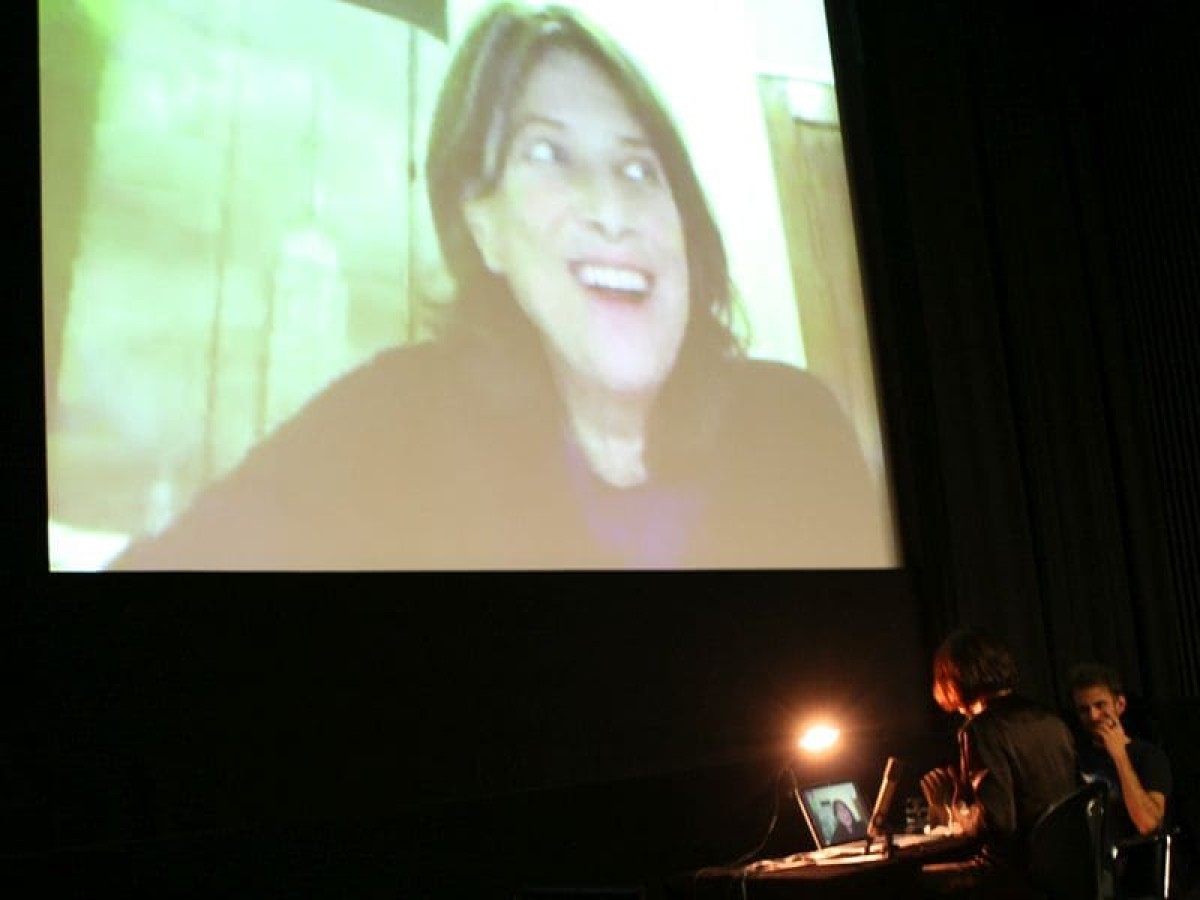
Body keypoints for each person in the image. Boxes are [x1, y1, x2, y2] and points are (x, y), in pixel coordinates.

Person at [109, 2, 890, 571]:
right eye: (548, 155)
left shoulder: (796, 425)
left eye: (637, 168)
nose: (611, 207)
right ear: (482, 227)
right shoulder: (389, 423)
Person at [917, 626, 1078, 898]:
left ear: (955, 679)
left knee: (912, 881)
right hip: (1069, 869)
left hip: (1017, 874)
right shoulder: (1052, 720)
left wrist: (949, 806)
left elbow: (997, 824)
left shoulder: (979, 730)